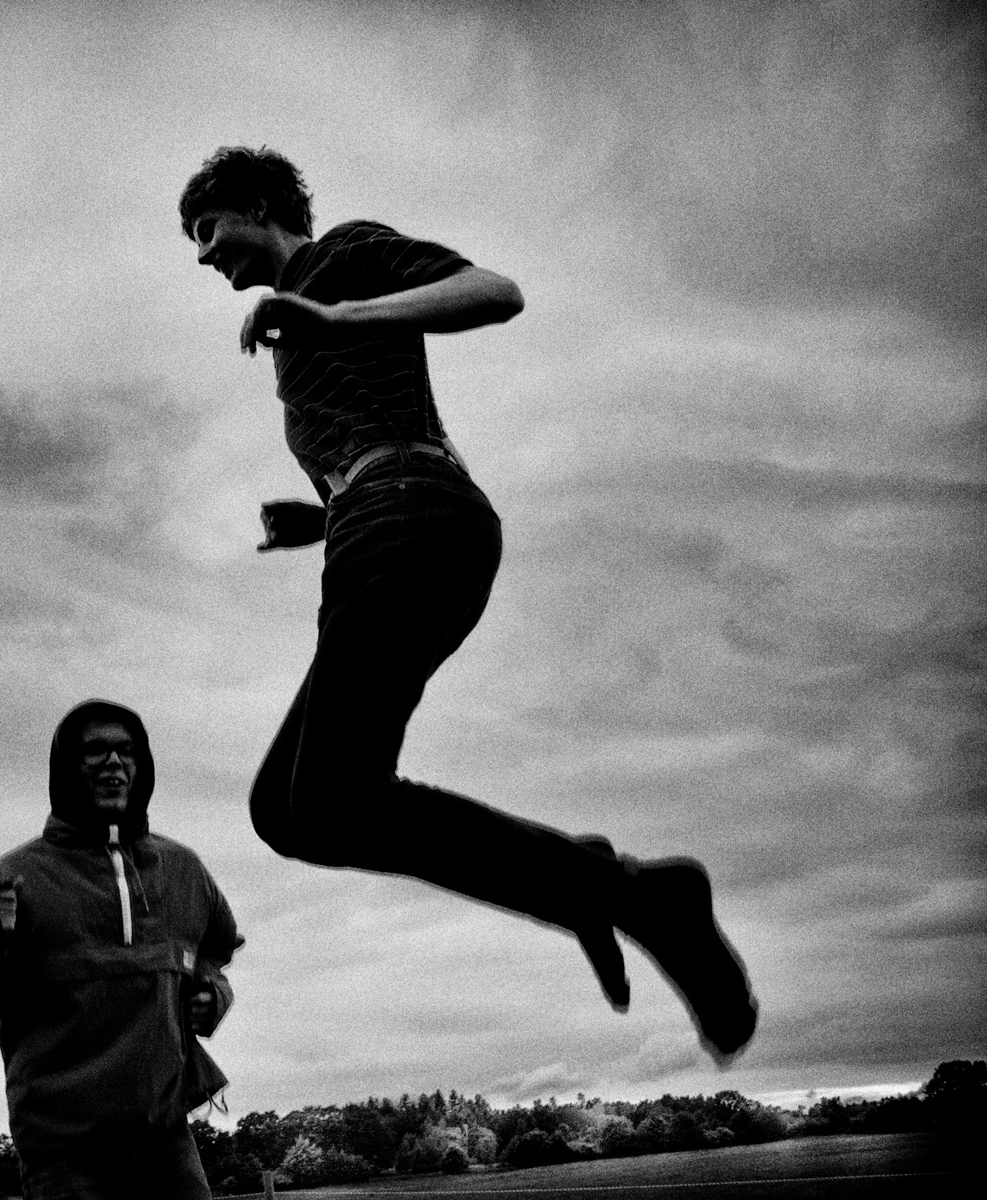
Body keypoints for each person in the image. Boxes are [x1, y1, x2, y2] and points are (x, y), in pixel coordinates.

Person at [177, 147, 757, 1062]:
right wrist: (317, 517)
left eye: (207, 229)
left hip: (414, 514)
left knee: (328, 799)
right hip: (386, 518)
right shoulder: (304, 327)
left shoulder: (347, 253)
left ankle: (634, 895)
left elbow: (494, 291)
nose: (203, 256)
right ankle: (601, 890)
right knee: (286, 812)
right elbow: (384, 425)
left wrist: (335, 312)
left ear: (256, 205)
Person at [0, 701, 242, 1199]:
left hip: (164, 1136)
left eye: (127, 751)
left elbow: (213, 953)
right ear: (65, 768)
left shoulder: (183, 869)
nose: (114, 762)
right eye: (95, 751)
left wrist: (212, 993)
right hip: (63, 1151)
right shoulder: (20, 875)